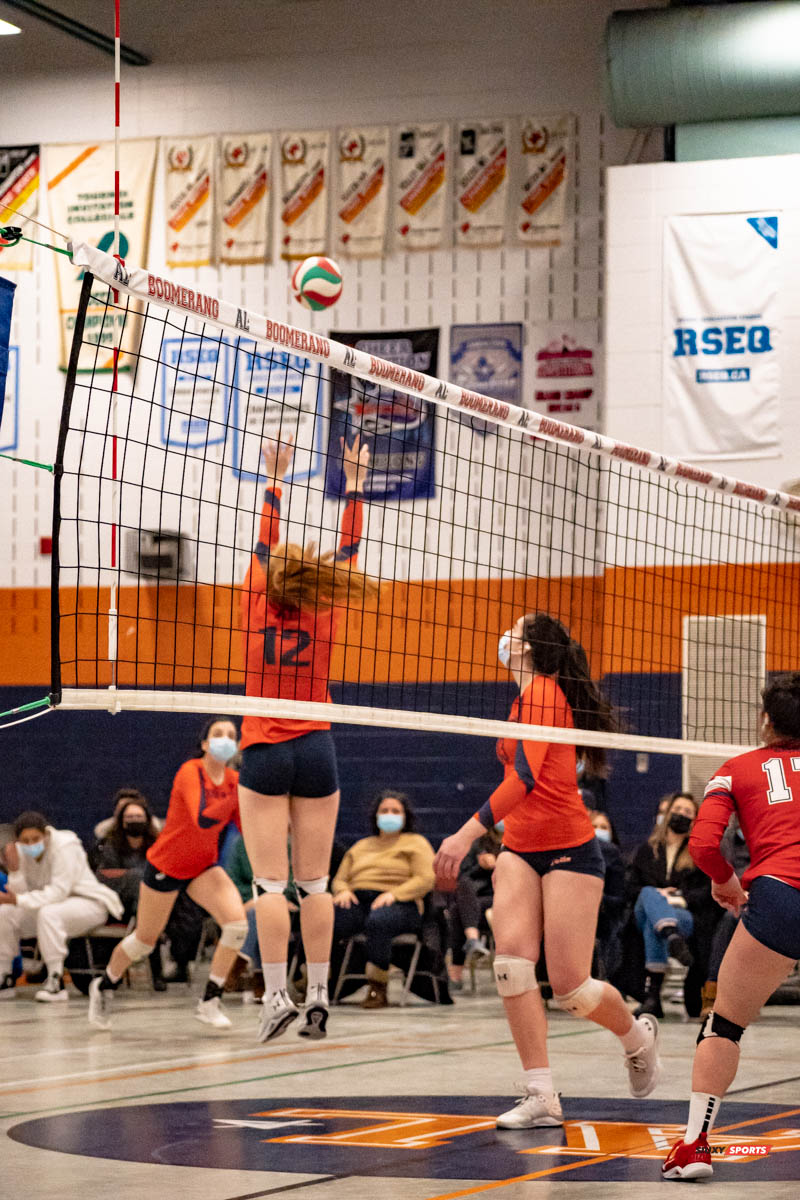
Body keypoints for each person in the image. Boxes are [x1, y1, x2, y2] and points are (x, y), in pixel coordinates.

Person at [434, 612, 661, 1128]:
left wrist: (466, 833)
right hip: (520, 846)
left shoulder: (542, 693)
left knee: (571, 989)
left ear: (529, 647)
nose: (504, 633)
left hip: (569, 848)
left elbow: (527, 779)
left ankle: (636, 1036)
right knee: (511, 966)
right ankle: (541, 1094)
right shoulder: (523, 699)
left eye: (514, 628)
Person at [237, 433, 379, 1042]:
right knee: (316, 883)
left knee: (270, 884)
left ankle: (276, 996)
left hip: (266, 751)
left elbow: (264, 543)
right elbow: (349, 547)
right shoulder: (326, 607)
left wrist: (275, 477)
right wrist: (352, 483)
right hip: (317, 747)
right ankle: (319, 993)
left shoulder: (253, 598)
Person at [662, 672, 800, 1180]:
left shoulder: (736, 769)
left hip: (780, 898)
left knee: (724, 1024)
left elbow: (702, 846)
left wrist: (725, 882)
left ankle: (695, 1146)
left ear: (766, 721)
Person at [87, 717, 248, 1031]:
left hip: (203, 867)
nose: (226, 739)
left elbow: (245, 828)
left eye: (232, 735)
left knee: (237, 926)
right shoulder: (191, 772)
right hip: (167, 865)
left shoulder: (233, 780)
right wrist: (238, 793)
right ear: (204, 744)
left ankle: (210, 1000)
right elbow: (202, 817)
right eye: (218, 734)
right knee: (145, 942)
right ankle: (104, 985)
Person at [0, 811, 123, 1001]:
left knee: (49, 913)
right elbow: (22, 894)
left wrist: (18, 900)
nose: (31, 844)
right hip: (47, 907)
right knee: (5, 912)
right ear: (18, 841)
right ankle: (5, 977)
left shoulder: (66, 845)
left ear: (46, 835)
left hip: (89, 903)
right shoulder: (19, 852)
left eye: (36, 838)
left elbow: (59, 892)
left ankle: (55, 980)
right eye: (25, 840)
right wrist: (15, 871)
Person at [332, 791, 436, 1007]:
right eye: (385, 811)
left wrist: (393, 894)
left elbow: (426, 879)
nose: (390, 815)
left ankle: (377, 986)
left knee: (379, 921)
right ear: (376, 816)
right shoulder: (360, 846)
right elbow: (340, 879)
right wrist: (342, 890)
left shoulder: (416, 843)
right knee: (329, 919)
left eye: (395, 811)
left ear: (405, 816)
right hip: (359, 899)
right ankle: (314, 982)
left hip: (401, 903)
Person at [625, 791, 716, 1018]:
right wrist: (656, 895)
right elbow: (630, 887)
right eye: (677, 810)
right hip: (643, 908)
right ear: (667, 813)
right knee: (647, 893)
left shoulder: (698, 853)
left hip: (682, 913)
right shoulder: (646, 850)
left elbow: (706, 891)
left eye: (687, 812)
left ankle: (653, 997)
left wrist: (679, 898)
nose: (681, 815)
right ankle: (671, 935)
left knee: (654, 926)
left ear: (694, 820)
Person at [91, 790, 167, 989]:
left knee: (148, 898)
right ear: (121, 820)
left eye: (138, 817)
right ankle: (115, 973)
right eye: (130, 817)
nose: (134, 821)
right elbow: (104, 877)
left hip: (154, 900)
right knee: (138, 881)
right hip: (119, 902)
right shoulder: (109, 845)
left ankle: (156, 966)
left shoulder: (158, 844)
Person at [444, 825, 500, 989]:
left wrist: (499, 864)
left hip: (504, 898)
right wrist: (480, 867)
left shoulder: (517, 842)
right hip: (479, 901)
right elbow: (464, 874)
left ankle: (457, 970)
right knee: (463, 891)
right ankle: (473, 938)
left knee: (457, 911)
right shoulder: (478, 844)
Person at [589, 810, 626, 980]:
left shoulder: (615, 857)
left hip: (606, 913)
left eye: (604, 827)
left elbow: (620, 898)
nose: (598, 831)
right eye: (594, 826)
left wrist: (598, 898)